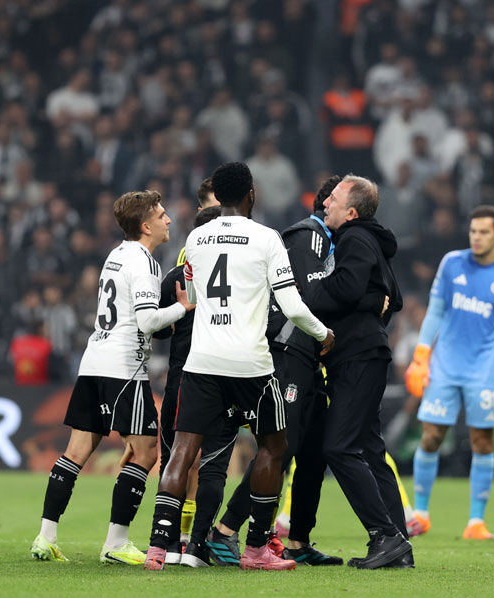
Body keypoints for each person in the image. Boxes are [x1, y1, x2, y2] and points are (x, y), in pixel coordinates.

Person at [144, 161, 334, 571]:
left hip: (202, 360)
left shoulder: (195, 238)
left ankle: (158, 547)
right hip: (251, 363)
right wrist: (323, 334)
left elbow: (192, 295)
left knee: (182, 450)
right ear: (251, 194)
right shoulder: (267, 239)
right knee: (274, 446)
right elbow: (293, 306)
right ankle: (256, 548)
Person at [29, 190, 193, 564]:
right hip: (124, 369)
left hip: (92, 362)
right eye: (162, 215)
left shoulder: (114, 256)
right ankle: (116, 542)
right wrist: (182, 307)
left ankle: (45, 536)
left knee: (75, 452)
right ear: (145, 225)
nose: (168, 220)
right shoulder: (145, 262)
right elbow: (149, 321)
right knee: (147, 451)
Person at [405, 206, 494, 540]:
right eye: (473, 231)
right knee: (431, 435)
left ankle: (475, 522)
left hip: (485, 369)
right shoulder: (452, 263)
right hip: (445, 365)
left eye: (483, 232)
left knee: (482, 441)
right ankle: (420, 513)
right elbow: (434, 310)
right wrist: (421, 355)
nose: (476, 237)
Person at [305, 174, 411, 569]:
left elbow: (345, 289)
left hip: (357, 355)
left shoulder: (353, 238)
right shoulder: (371, 241)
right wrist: (371, 301)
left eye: (332, 198)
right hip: (367, 353)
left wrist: (305, 294)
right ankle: (399, 545)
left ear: (351, 211)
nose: (324, 203)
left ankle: (384, 536)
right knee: (369, 449)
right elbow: (391, 297)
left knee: (339, 447)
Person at [152, 205, 228, 566]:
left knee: (173, 460)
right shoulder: (236, 277)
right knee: (213, 465)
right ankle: (197, 546)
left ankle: (165, 544)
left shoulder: (173, 278)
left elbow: (155, 331)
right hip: (223, 377)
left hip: (181, 381)